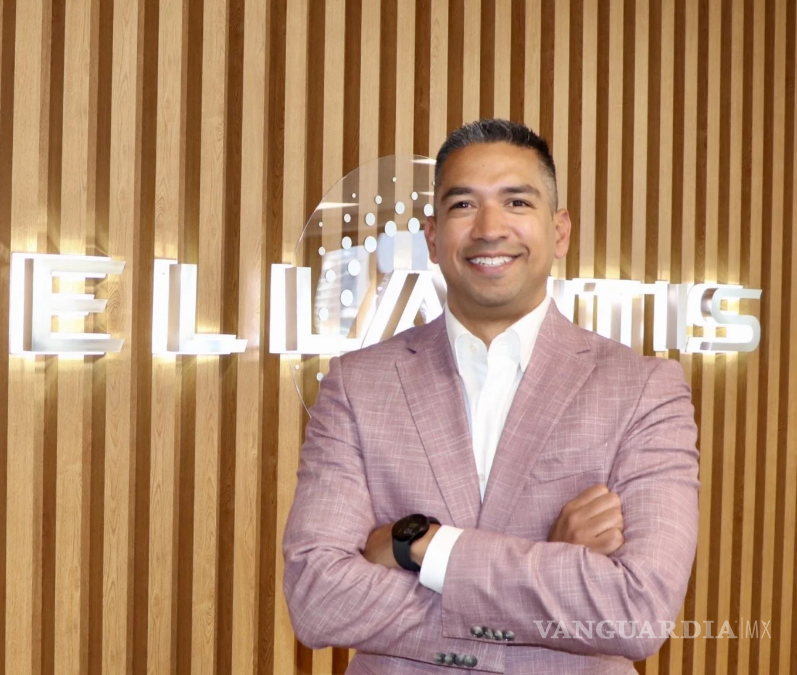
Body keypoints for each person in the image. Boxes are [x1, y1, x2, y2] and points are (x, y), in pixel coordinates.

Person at [282, 119, 699, 673]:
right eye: (463, 205)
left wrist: (421, 547)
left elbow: (636, 612)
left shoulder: (644, 390)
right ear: (433, 238)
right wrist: (552, 568)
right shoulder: (358, 384)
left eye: (517, 202)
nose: (489, 228)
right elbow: (318, 599)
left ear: (560, 231)